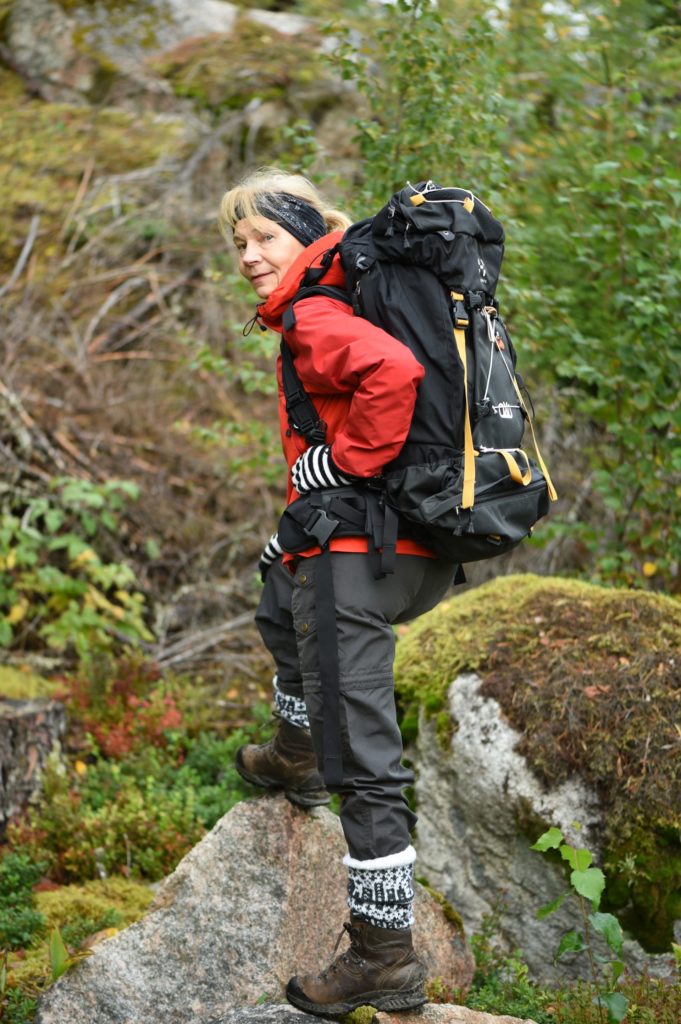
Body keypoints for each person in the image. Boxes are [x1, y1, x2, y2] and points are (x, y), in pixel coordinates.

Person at [218, 167, 456, 1017]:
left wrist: (344, 463)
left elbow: (391, 376)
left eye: (262, 237)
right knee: (275, 592)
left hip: (356, 553)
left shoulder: (318, 311)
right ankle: (295, 755)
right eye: (236, 243)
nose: (246, 256)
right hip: (416, 548)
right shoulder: (354, 292)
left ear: (304, 232)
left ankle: (383, 954)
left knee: (364, 760)